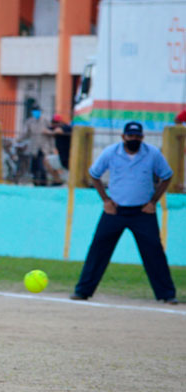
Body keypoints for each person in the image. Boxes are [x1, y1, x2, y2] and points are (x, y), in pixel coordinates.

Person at [71, 121, 178, 304]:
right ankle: (83, 290)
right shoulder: (111, 152)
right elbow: (94, 174)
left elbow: (167, 176)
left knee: (154, 252)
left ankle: (167, 294)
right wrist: (106, 200)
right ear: (123, 137)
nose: (133, 139)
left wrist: (153, 201)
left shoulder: (152, 154)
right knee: (98, 249)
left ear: (142, 138)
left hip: (142, 212)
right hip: (115, 210)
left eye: (137, 137)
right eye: (130, 136)